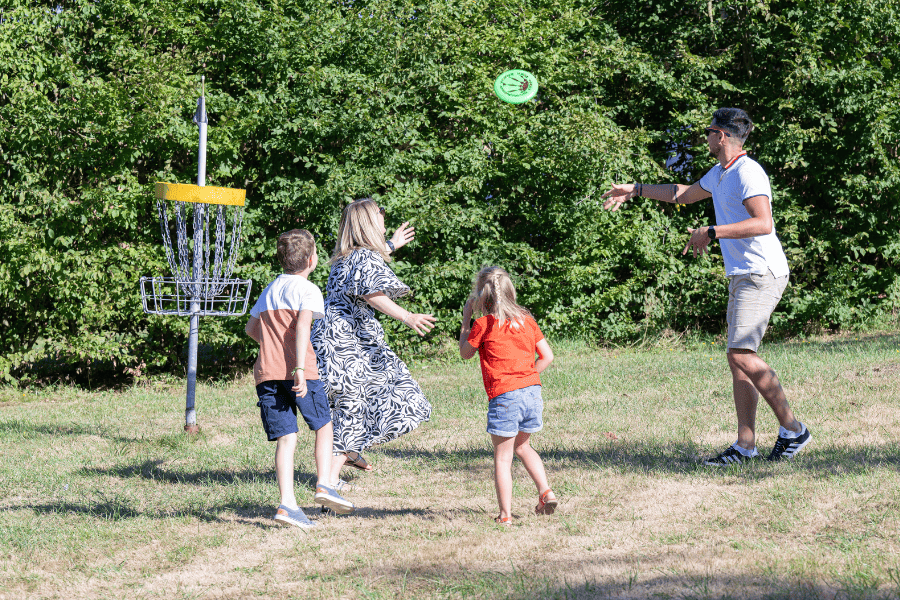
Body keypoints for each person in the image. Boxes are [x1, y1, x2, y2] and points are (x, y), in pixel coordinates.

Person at [600, 107, 812, 465]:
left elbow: (763, 223)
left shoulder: (749, 173)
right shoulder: (721, 173)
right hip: (743, 274)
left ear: (723, 136)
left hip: (761, 273)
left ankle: (794, 430)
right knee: (738, 359)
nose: (706, 138)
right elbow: (682, 194)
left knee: (741, 354)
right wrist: (635, 189)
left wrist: (712, 231)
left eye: (710, 132)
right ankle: (746, 447)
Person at [311, 198, 435, 488]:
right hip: (347, 345)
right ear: (369, 222)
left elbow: (365, 269)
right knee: (365, 403)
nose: (384, 217)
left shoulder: (347, 257)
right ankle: (328, 482)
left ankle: (346, 457)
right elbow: (371, 291)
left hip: (333, 342)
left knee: (355, 404)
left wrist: (390, 245)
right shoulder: (364, 258)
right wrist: (408, 316)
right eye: (380, 213)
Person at [245, 229, 354, 529]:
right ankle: (323, 485)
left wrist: (274, 348)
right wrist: (299, 370)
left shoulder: (269, 290)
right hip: (300, 373)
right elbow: (304, 327)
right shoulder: (308, 290)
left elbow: (252, 330)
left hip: (267, 374)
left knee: (287, 437)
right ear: (310, 259)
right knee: (323, 425)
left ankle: (287, 505)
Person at [458, 266, 558, 524]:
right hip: (532, 394)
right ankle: (546, 491)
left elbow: (465, 353)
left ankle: (505, 516)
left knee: (503, 458)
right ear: (510, 290)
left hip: (505, 396)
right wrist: (526, 378)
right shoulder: (526, 320)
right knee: (523, 446)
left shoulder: (484, 324)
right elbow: (547, 356)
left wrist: (466, 320)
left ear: (482, 297)